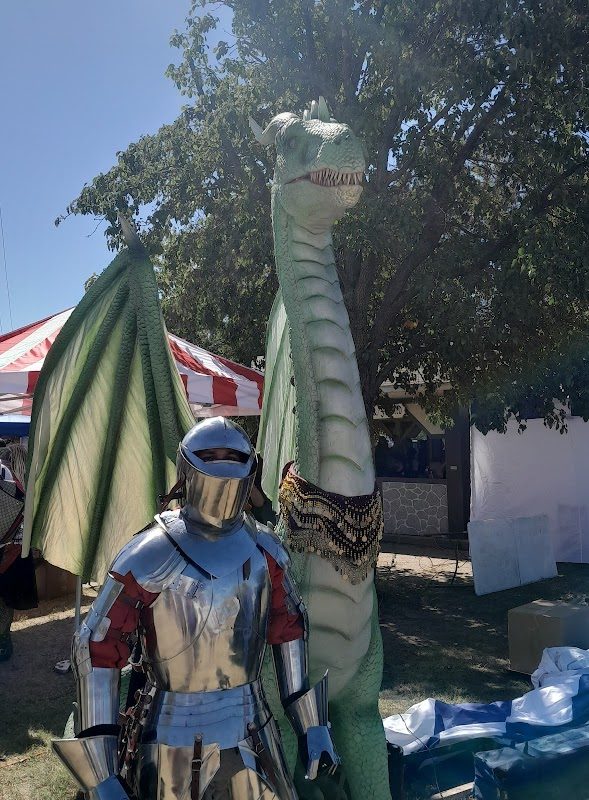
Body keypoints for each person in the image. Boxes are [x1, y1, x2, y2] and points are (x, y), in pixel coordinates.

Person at [53, 417, 338, 800]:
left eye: (232, 456)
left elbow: (289, 628)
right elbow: (97, 647)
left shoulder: (265, 550)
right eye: (209, 455)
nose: (221, 464)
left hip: (253, 726)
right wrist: (103, 773)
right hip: (170, 733)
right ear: (187, 466)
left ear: (250, 467)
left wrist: (313, 726)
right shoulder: (151, 552)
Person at [0, 443, 38, 662]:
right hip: (13, 552)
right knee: (5, 601)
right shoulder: (23, 486)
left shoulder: (8, 482)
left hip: (9, 549)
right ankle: (4, 642)